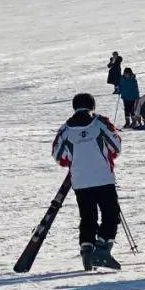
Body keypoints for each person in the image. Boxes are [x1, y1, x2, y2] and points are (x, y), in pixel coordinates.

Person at [51, 93, 123, 271]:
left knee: (88, 217)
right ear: (92, 105)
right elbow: (116, 146)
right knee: (111, 214)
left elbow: (58, 156)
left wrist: (75, 161)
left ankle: (87, 250)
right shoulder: (100, 123)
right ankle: (102, 250)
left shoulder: (65, 129)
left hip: (80, 180)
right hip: (103, 178)